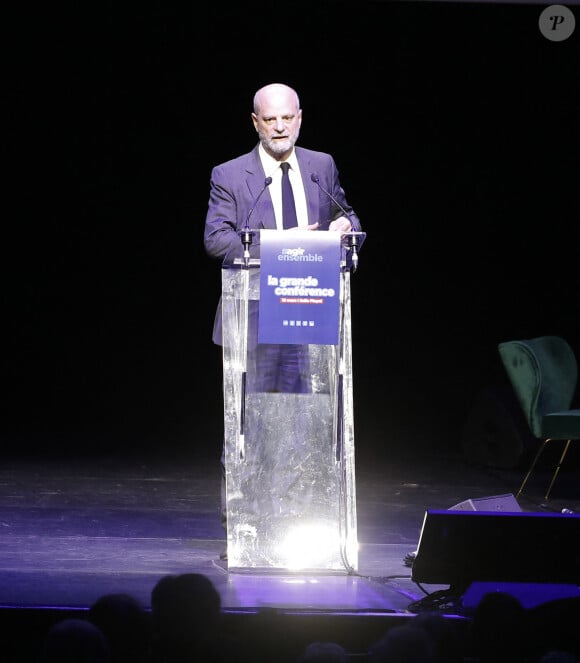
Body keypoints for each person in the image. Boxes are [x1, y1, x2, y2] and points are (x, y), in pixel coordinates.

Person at [203, 82, 362, 559]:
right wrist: (281, 241)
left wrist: (345, 228)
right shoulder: (231, 175)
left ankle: (297, 524)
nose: (279, 126)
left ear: (299, 118)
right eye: (269, 119)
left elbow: (348, 216)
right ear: (256, 122)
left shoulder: (321, 167)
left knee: (303, 426)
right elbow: (217, 241)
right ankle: (248, 526)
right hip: (252, 317)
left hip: (311, 318)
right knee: (257, 428)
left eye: (287, 118)